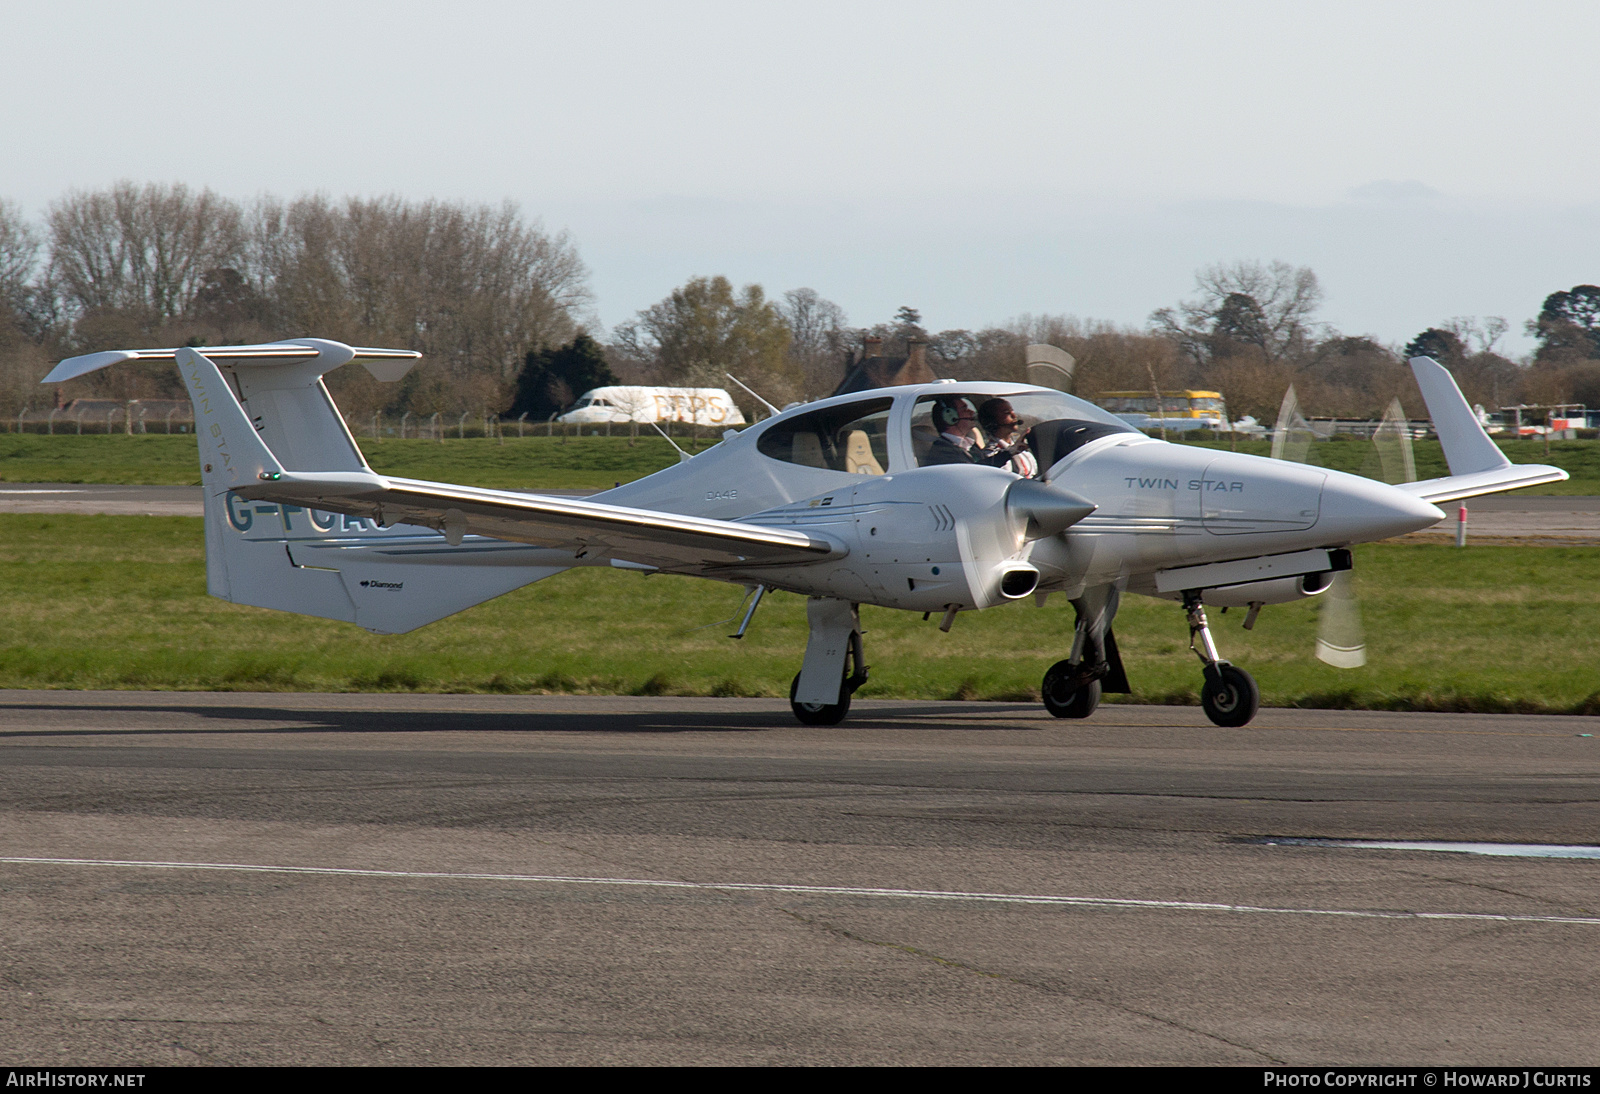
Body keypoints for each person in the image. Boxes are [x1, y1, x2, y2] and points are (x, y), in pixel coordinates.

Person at [977, 398, 1038, 476]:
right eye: (1007, 413)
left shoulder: (1021, 446)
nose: (1014, 416)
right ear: (993, 420)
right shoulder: (990, 453)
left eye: (1012, 411)